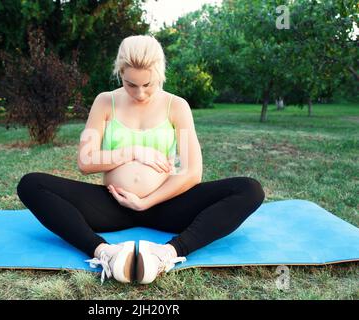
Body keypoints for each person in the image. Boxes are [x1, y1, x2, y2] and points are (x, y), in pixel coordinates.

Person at [16, 35, 265, 285]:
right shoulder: (105, 102)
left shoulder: (177, 106)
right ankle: (106, 253)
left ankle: (167, 254)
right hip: (111, 204)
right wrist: (132, 151)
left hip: (167, 205)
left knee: (249, 190)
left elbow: (192, 171)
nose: (140, 93)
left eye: (148, 84)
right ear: (120, 73)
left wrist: (145, 202)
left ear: (160, 73)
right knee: (31, 184)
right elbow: (85, 161)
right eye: (130, 84)